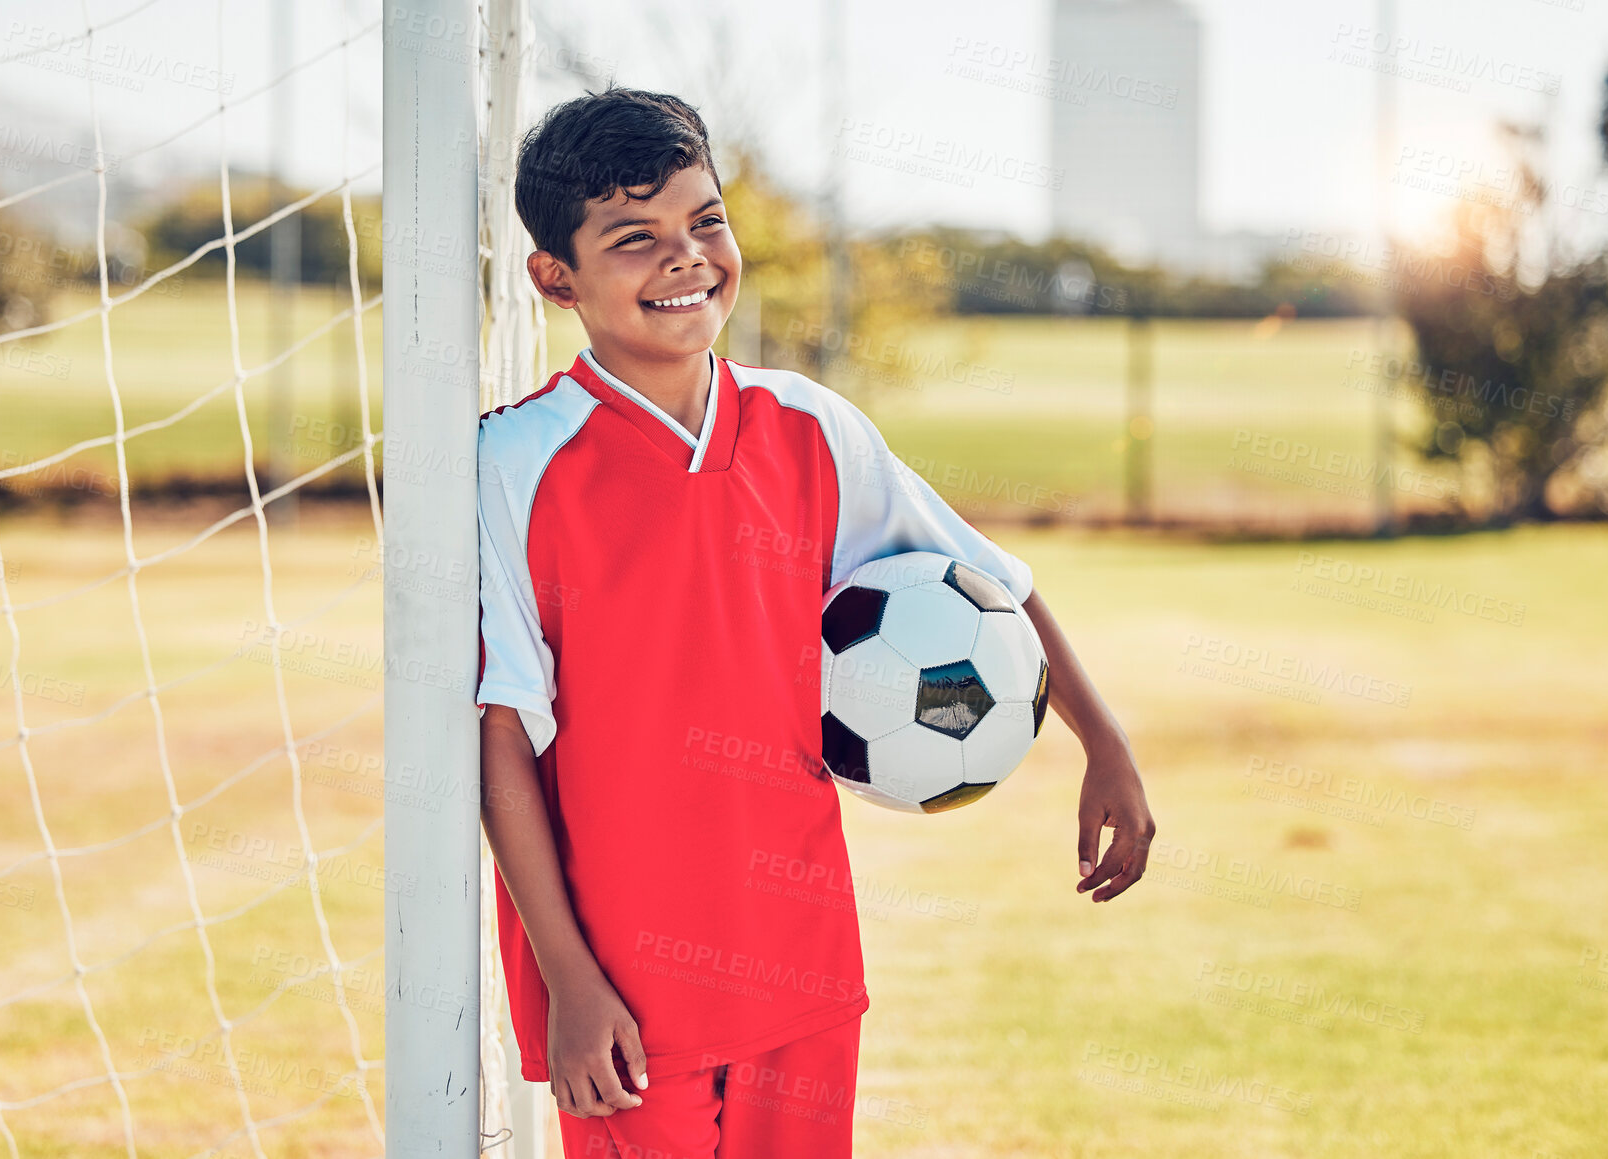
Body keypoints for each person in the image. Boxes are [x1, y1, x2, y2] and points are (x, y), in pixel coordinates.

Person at [476, 84, 1156, 1159]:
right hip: (626, 998)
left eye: (705, 221)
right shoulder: (515, 466)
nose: (686, 257)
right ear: (553, 276)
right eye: (633, 238)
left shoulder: (809, 428)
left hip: (800, 963)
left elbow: (990, 584)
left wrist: (1104, 740)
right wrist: (568, 977)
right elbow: (502, 732)